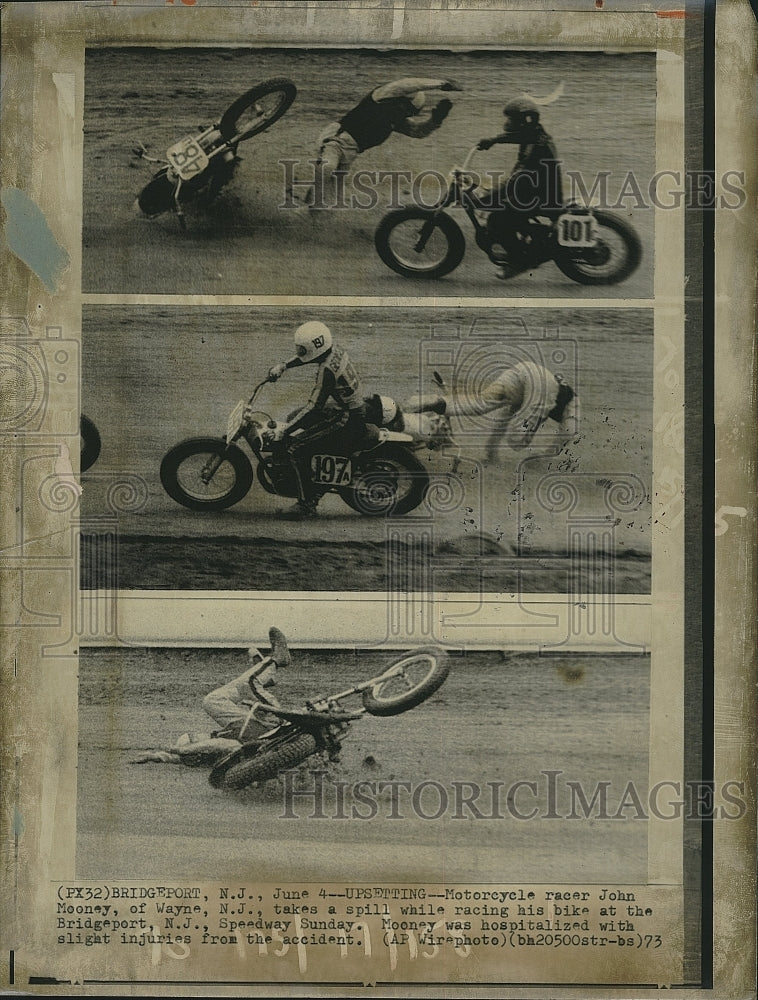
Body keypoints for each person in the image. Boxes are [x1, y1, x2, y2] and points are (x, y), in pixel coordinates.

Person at [132, 627, 293, 765]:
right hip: (269, 730)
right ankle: (275, 662)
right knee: (249, 684)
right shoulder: (223, 749)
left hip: (249, 724)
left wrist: (154, 756)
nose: (197, 735)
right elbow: (219, 746)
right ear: (197, 749)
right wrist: (182, 749)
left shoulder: (217, 739)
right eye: (194, 738)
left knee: (211, 701)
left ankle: (263, 675)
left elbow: (170, 757)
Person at [264, 321, 370, 519]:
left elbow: (314, 407)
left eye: (302, 348)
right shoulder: (334, 351)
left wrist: (284, 431)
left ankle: (307, 504)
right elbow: (308, 358)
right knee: (294, 418)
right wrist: (284, 366)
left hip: (347, 418)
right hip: (350, 407)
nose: (299, 351)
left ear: (314, 347)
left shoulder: (326, 371)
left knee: (294, 448)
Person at [304, 77, 462, 207]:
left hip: (350, 155)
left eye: (410, 112)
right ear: (400, 101)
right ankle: (309, 205)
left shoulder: (395, 120)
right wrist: (440, 84)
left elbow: (417, 132)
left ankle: (307, 212)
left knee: (332, 201)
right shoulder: (379, 99)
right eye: (406, 109)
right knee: (327, 167)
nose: (406, 114)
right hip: (335, 139)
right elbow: (404, 85)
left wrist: (436, 120)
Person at [407, 360, 579, 463]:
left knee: (480, 404)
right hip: (542, 383)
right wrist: (544, 457)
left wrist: (491, 452)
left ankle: (437, 402)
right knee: (517, 442)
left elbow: (502, 422)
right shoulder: (573, 404)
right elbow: (569, 433)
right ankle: (436, 404)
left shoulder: (526, 402)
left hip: (524, 370)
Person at [474, 96, 564, 279]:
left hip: (539, 197)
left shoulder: (535, 147)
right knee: (498, 205)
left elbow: (517, 180)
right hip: (538, 192)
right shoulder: (536, 135)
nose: (508, 122)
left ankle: (518, 262)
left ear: (525, 121)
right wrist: (494, 140)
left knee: (497, 220)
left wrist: (488, 196)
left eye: (512, 119)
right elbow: (517, 138)